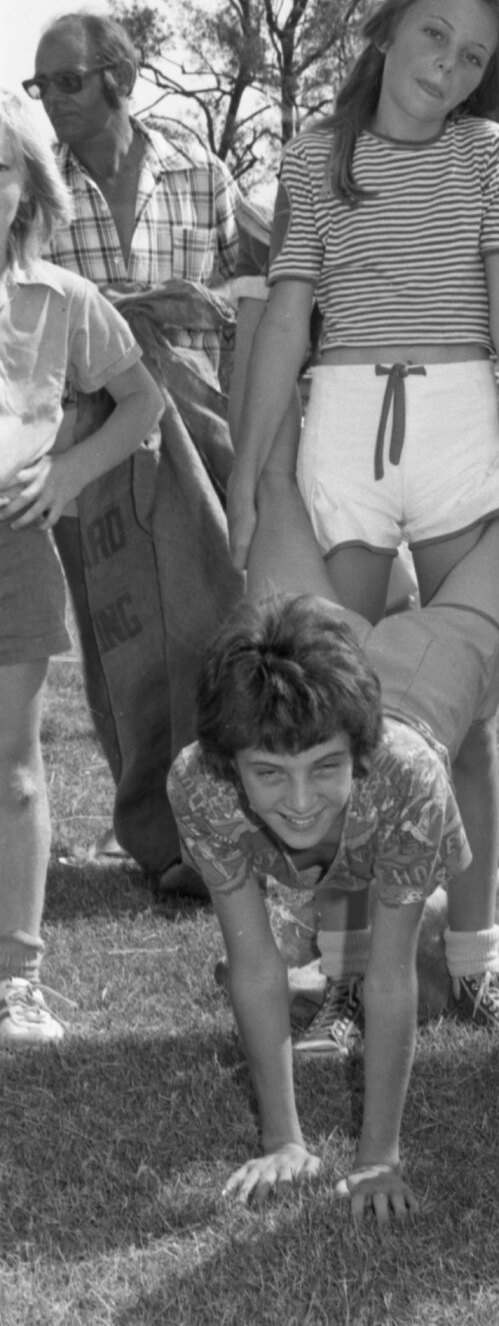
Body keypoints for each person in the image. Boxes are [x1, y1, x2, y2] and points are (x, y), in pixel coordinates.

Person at [228, 0, 499, 1045]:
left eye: (473, 57)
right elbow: (287, 319)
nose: (449, 67)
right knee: (339, 711)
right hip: (344, 428)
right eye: (434, 36)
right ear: (385, 31)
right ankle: (342, 974)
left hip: (461, 425)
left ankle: (473, 962)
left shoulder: (487, 155)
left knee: (464, 720)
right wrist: (246, 472)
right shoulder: (311, 156)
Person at [167, 494, 499, 1216]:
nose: (300, 801)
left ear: (359, 755)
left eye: (325, 769)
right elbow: (255, 963)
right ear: (228, 764)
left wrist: (378, 1161)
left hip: (438, 662)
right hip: (333, 652)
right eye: (269, 773)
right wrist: (284, 1140)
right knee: (275, 490)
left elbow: (391, 977)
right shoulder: (200, 782)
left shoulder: (405, 778)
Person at [24, 11, 241, 895]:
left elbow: (243, 291)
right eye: (41, 86)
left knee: (214, 619)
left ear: (121, 76)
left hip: (198, 422)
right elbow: (33, 308)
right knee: (120, 640)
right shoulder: (38, 190)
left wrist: (191, 306)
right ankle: (161, 840)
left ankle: (229, 826)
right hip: (91, 434)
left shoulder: (202, 173)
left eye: (68, 80)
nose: (52, 100)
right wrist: (132, 309)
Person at [0, 89, 163, 1045]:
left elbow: (143, 404)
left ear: (27, 188)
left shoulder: (65, 301)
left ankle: (16, 976)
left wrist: (66, 472)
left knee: (14, 772)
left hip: (14, 552)